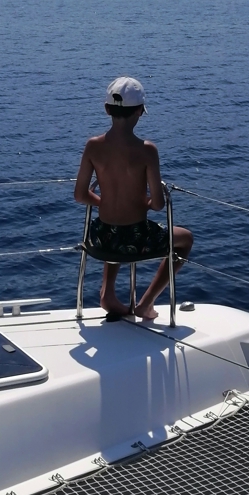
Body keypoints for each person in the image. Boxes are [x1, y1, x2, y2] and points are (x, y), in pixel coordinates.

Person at [74, 76, 194, 320]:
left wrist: (104, 202)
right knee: (185, 239)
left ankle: (107, 294)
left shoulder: (92, 146)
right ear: (140, 111)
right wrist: (144, 202)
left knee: (115, 229)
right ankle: (146, 303)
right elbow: (158, 205)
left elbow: (80, 195)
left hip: (102, 237)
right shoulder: (147, 150)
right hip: (135, 238)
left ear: (107, 109)